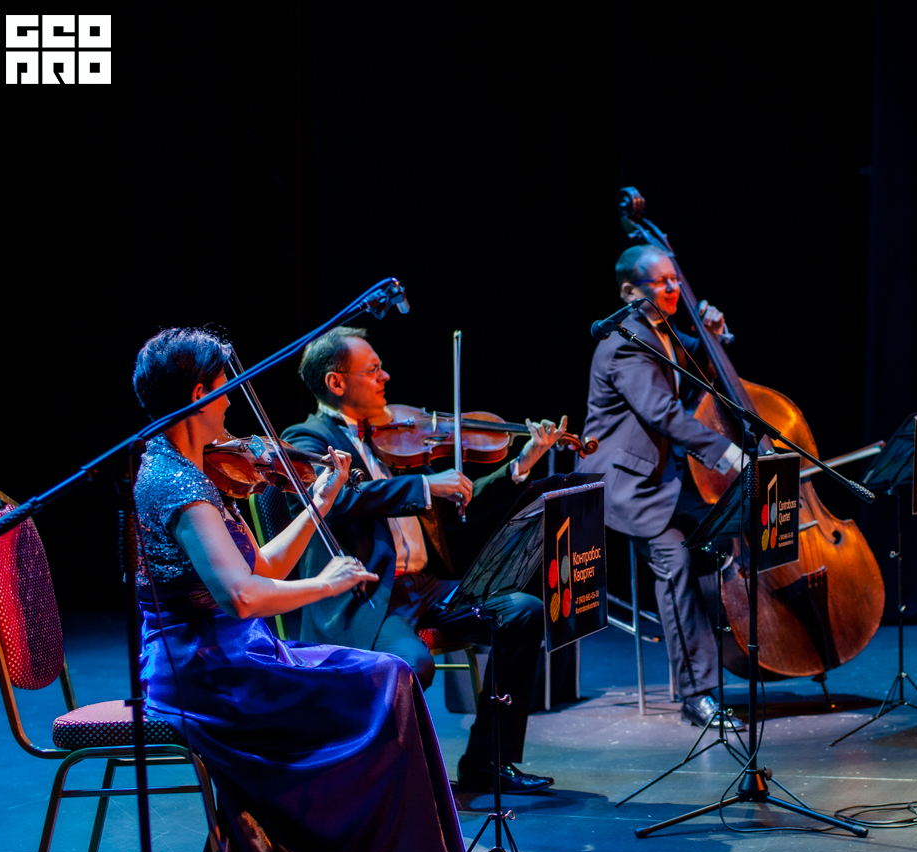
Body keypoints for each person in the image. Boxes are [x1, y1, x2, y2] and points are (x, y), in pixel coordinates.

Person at [131, 328, 478, 852]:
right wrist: (324, 585)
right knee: (385, 681)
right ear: (199, 392)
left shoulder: (190, 469)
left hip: (235, 656)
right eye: (226, 388)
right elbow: (240, 596)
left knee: (388, 676)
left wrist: (317, 501)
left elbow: (257, 566)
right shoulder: (176, 483)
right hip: (205, 673)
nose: (232, 401)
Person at [282, 327, 566, 793]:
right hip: (370, 594)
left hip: (426, 587)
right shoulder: (306, 439)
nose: (385, 377)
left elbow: (454, 503)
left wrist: (521, 465)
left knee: (522, 611)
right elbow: (340, 500)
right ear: (336, 382)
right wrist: (423, 486)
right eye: (373, 370)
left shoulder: (389, 437)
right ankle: (385, 781)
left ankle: (487, 762)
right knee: (412, 661)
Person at [577, 244, 743, 730]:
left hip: (663, 477)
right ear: (631, 291)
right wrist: (726, 451)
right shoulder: (623, 343)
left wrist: (713, 337)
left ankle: (734, 655)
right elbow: (662, 412)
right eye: (662, 282)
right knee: (676, 564)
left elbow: (694, 368)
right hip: (628, 483)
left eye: (676, 279)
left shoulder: (660, 331)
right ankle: (697, 695)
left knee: (721, 531)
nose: (674, 289)